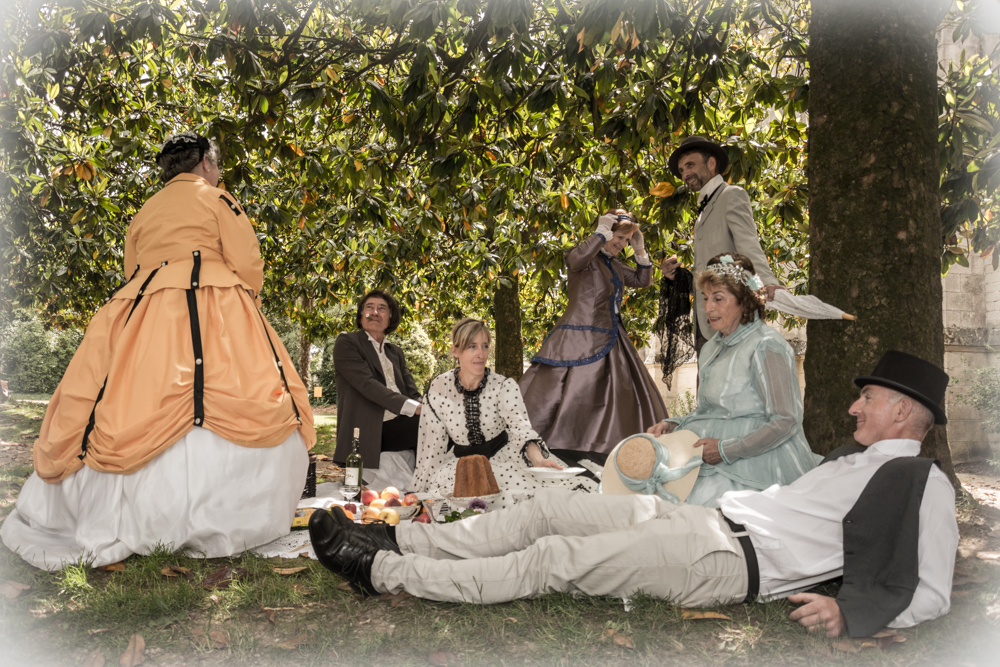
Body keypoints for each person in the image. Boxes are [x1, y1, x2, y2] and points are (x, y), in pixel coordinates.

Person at [310, 350, 957, 639]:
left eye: (867, 398)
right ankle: (399, 537)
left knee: (555, 559)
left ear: (903, 411)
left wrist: (851, 615)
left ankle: (382, 569)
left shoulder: (920, 482)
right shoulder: (849, 460)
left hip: (726, 563)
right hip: (698, 520)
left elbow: (932, 590)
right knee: (548, 507)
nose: (854, 406)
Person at [1, 131, 316, 570]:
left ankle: (119, 514)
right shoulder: (219, 199)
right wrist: (245, 300)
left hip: (144, 306)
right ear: (205, 163)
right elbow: (247, 262)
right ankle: (229, 517)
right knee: (238, 388)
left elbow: (133, 267)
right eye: (216, 164)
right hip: (214, 302)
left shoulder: (145, 211)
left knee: (121, 392)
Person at [632, 253, 818, 506]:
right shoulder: (711, 347)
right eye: (705, 298)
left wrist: (726, 450)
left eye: (718, 298)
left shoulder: (766, 345)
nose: (708, 308)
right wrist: (674, 424)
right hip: (701, 455)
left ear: (744, 300)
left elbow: (786, 421)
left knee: (700, 512)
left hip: (757, 464)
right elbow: (711, 411)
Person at [519, 211, 668, 465]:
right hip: (576, 339)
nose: (622, 244)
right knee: (572, 392)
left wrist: (639, 248)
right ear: (607, 232)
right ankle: (560, 449)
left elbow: (642, 280)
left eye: (626, 240)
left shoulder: (615, 264)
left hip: (613, 339)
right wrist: (600, 233)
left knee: (615, 395)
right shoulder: (583, 257)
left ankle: (607, 453)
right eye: (619, 238)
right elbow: (576, 259)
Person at [410, 319, 597, 509]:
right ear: (455, 351)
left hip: (503, 461)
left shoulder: (503, 386)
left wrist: (538, 460)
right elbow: (431, 447)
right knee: (445, 504)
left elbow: (521, 429)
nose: (481, 354)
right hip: (460, 468)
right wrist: (417, 494)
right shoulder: (439, 388)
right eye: (472, 346)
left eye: (484, 346)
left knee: (533, 500)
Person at [661, 136, 785, 350]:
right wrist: (677, 276)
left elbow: (748, 245)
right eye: (681, 170)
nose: (685, 174)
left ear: (711, 163)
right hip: (706, 322)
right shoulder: (702, 212)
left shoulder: (731, 195)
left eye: (690, 165)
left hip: (733, 320)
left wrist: (767, 282)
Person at [332, 290, 422, 491]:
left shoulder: (395, 351)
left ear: (390, 318)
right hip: (370, 429)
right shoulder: (347, 342)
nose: (374, 312)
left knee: (442, 421)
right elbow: (368, 385)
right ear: (360, 315)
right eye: (369, 307)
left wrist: (427, 407)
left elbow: (411, 390)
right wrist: (414, 408)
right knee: (424, 424)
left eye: (382, 309)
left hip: (399, 424)